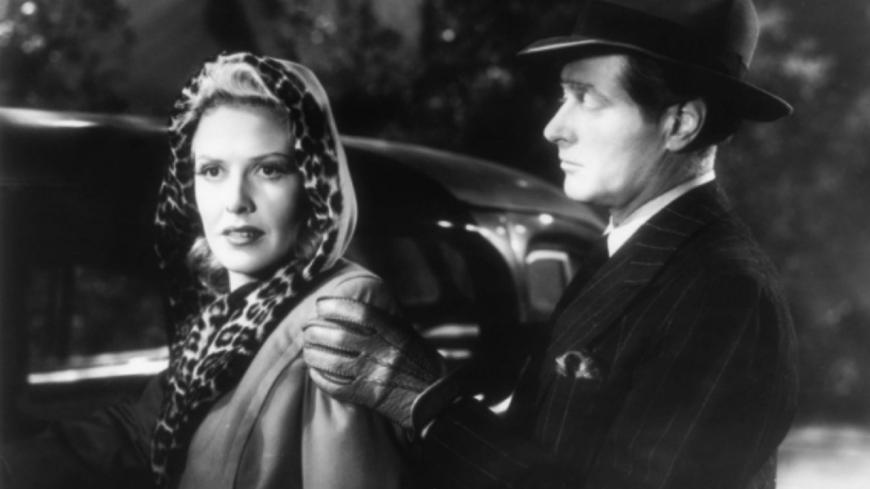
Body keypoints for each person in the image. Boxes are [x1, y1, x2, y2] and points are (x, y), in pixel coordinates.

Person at [301, 1, 799, 488]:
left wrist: (425, 399)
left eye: (587, 98)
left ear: (681, 123)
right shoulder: (631, 247)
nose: (554, 129)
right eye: (565, 96)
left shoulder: (721, 290)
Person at [2, 52, 424, 489]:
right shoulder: (228, 317)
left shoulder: (341, 310)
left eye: (269, 169)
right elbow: (141, 431)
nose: (236, 200)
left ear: (313, 185)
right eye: (213, 170)